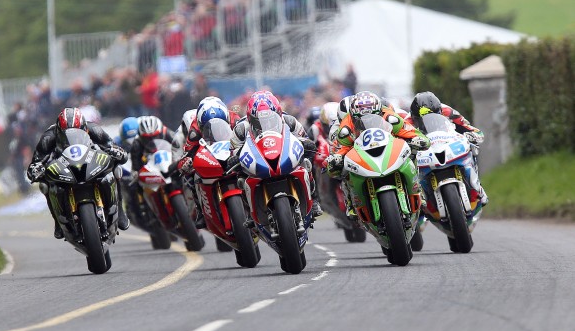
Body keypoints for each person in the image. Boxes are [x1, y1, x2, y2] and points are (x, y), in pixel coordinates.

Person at [26, 107, 129, 239]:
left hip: (89, 162)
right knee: (45, 185)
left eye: (78, 130)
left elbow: (110, 145)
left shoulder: (94, 129)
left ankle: (120, 211)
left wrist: (116, 152)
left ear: (84, 127)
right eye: (65, 132)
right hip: (63, 166)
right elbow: (37, 160)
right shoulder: (49, 136)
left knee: (115, 169)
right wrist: (36, 169)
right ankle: (58, 222)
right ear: (59, 129)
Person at [325, 91, 431, 217]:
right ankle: (351, 201)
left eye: (373, 117)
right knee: (343, 168)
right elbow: (340, 148)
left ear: (380, 113)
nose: (368, 121)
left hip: (389, 147)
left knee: (412, 151)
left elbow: (409, 131)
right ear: (353, 117)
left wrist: (417, 139)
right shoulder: (345, 127)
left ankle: (417, 188)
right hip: (361, 152)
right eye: (361, 119)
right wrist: (336, 159)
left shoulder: (391, 117)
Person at [229, 90, 323, 218]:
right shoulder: (241, 129)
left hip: (282, 154)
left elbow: (304, 137)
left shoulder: (289, 121)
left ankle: (314, 198)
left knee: (306, 164)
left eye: (270, 119)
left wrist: (307, 143)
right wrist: (234, 158)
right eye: (259, 121)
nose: (265, 123)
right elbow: (233, 150)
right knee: (239, 177)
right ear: (251, 118)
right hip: (257, 159)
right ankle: (248, 212)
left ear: (278, 113)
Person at [407, 91, 488, 206]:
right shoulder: (407, 122)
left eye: (435, 117)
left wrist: (473, 135)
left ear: (440, 112)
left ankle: (478, 187)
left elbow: (470, 129)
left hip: (447, 142)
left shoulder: (448, 112)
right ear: (414, 117)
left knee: (472, 149)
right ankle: (419, 197)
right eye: (421, 120)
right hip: (424, 148)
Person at [177, 97, 241, 228]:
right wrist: (186, 162)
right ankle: (200, 209)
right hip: (211, 153)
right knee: (190, 176)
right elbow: (188, 152)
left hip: (232, 151)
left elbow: (249, 136)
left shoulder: (236, 120)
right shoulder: (194, 130)